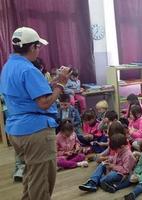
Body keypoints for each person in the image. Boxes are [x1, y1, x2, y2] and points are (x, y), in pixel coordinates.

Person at [0, 27, 71, 200]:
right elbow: (44, 103)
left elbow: (27, 93)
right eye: (38, 46)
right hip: (35, 132)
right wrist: (61, 84)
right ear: (32, 47)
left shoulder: (9, 66)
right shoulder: (29, 70)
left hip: (17, 130)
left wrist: (53, 82)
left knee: (31, 176)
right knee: (42, 182)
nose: (39, 50)